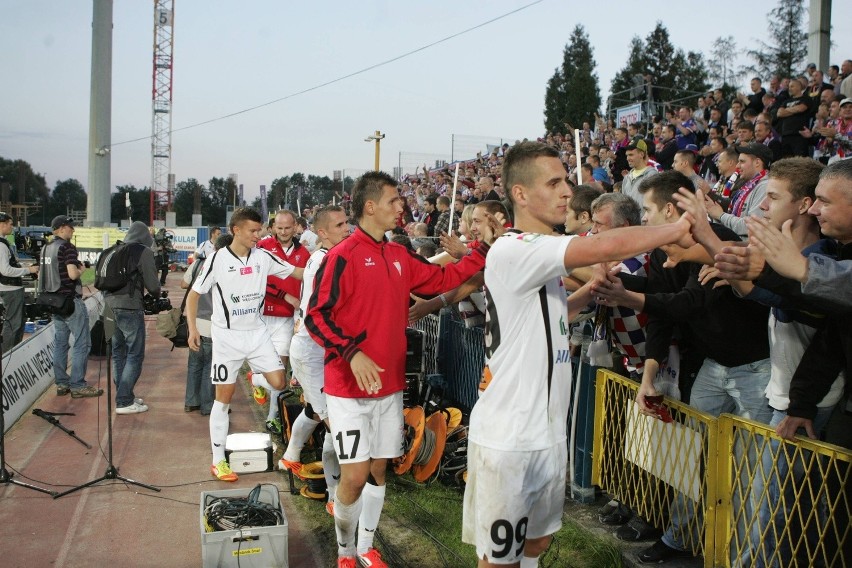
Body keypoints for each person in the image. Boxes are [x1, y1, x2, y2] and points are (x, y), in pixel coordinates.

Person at [462, 142, 694, 568]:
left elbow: (548, 319)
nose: (567, 191)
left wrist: (587, 292)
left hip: (545, 431)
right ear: (521, 194)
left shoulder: (535, 257)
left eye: (566, 180)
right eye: (553, 182)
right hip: (511, 438)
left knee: (537, 543)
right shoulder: (516, 248)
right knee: (499, 559)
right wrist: (674, 230)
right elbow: (605, 247)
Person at [305, 171, 499, 568]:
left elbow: (439, 280)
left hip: (390, 387)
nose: (402, 207)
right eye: (394, 201)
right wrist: (352, 353)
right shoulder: (342, 256)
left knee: (379, 471)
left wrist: (479, 251)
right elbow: (315, 317)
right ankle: (344, 550)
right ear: (371, 206)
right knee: (355, 476)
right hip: (347, 388)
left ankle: (365, 548)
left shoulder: (397, 253)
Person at [186, 207, 304, 482]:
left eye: (260, 230)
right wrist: (192, 328)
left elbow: (298, 273)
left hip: (257, 335)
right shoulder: (216, 260)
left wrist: (329, 263)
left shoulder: (263, 256)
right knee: (222, 400)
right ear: (235, 230)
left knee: (279, 383)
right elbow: (193, 295)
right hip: (227, 339)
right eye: (252, 230)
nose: (258, 235)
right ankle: (218, 461)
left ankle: (254, 377)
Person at [281, 205, 350, 515]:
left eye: (347, 222)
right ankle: (335, 497)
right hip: (311, 351)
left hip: (322, 349)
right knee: (337, 425)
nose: (347, 228)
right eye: (340, 224)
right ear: (322, 232)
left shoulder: (326, 257)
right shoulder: (324, 260)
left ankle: (291, 456)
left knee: (315, 410)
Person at [255, 210, 309, 433]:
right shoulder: (262, 247)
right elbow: (256, 279)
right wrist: (284, 295)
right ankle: (257, 379)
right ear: (273, 227)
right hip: (261, 315)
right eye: (279, 228)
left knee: (280, 369)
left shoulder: (304, 253)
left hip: (287, 319)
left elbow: (307, 285)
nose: (284, 232)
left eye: (288, 227)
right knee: (263, 366)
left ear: (296, 226)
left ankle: (273, 416)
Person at [41, 215, 102, 398]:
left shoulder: (45, 247)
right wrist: (82, 270)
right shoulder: (67, 247)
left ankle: (61, 383)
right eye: (70, 227)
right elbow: (73, 274)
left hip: (52, 301)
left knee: (60, 343)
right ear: (61, 228)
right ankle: (77, 385)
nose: (73, 230)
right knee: (82, 342)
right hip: (69, 300)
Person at [104, 221, 162, 414]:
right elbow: (153, 286)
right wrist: (156, 295)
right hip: (129, 306)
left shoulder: (112, 250)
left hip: (108, 307)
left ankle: (125, 395)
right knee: (135, 354)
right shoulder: (142, 251)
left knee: (118, 353)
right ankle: (123, 401)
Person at [181, 234, 231, 415]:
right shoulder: (227, 265)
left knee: (195, 362)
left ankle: (191, 401)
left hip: (195, 318)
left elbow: (183, 284)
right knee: (212, 364)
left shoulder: (198, 263)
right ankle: (208, 404)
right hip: (214, 320)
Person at [0, 211, 38, 351]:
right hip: (9, 289)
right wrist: (29, 270)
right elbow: (5, 270)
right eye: (10, 224)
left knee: (17, 323)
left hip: (11, 287)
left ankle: (13, 353)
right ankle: (7, 357)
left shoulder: (4, 243)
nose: (12, 227)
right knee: (13, 325)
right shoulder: (1, 245)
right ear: (2, 224)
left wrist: (25, 267)